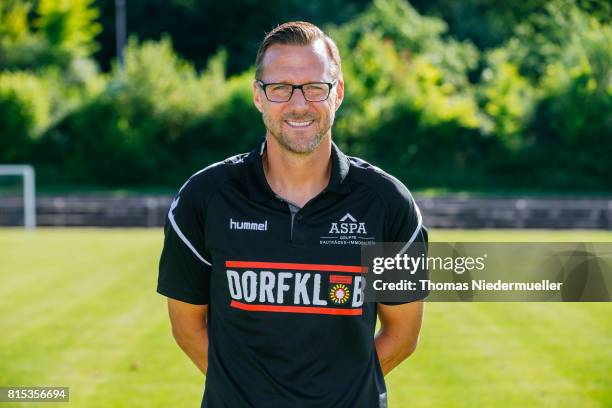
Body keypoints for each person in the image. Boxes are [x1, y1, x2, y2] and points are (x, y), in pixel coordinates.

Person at [157, 21, 428, 408]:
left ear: (338, 94)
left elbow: (403, 336)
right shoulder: (203, 199)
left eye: (315, 87)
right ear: (257, 95)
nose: (299, 104)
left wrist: (333, 397)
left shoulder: (389, 204)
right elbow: (187, 328)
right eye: (280, 88)